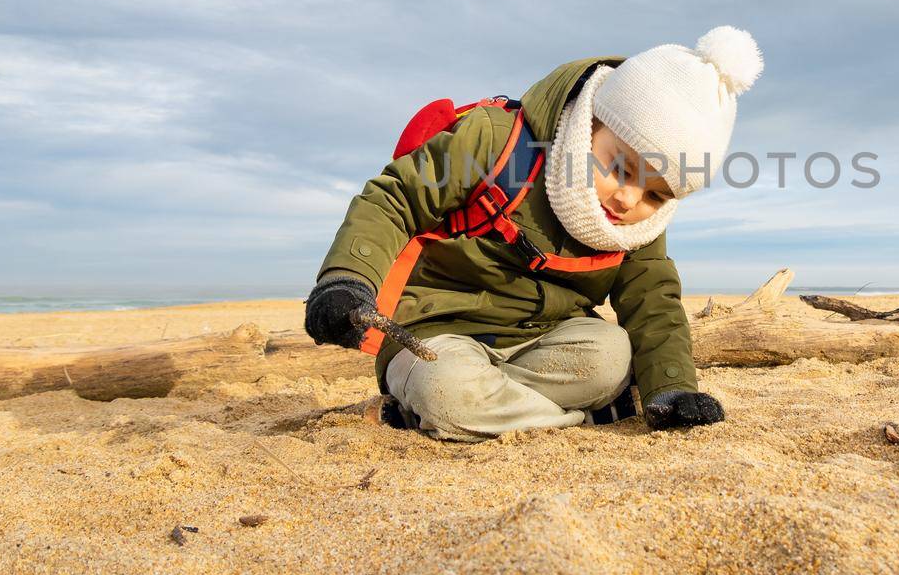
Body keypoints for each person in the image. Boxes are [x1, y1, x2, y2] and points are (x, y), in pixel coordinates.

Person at [302, 27, 763, 442]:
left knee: (613, 356)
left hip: (545, 342)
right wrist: (346, 280)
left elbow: (653, 299)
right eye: (620, 167)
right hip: (438, 333)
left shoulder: (637, 223)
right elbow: (393, 200)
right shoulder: (494, 142)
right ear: (590, 124)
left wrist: (673, 387)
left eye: (656, 195)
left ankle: (493, 409)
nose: (628, 199)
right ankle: (575, 420)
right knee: (448, 390)